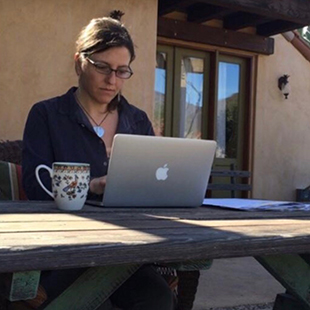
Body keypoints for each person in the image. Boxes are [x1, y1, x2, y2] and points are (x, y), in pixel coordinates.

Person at [22, 11, 174, 310]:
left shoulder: (136, 120)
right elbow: (35, 187)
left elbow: (153, 183)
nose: (112, 79)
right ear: (79, 61)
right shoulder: (47, 115)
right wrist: (92, 185)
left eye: (122, 71)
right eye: (103, 67)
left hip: (126, 251)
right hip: (65, 253)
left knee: (158, 299)